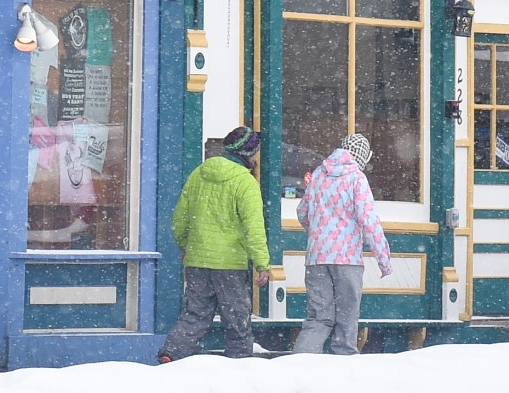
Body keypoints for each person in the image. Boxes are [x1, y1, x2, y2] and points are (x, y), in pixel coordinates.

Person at [158, 125, 269, 362]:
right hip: (229, 263)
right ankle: (240, 362)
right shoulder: (245, 182)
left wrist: (185, 244)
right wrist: (262, 263)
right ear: (248, 154)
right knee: (237, 316)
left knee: (196, 313)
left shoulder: (199, 173)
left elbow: (180, 217)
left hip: (197, 260)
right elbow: (253, 227)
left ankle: (172, 352)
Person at [292, 133, 390, 354]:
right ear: (362, 157)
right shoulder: (356, 178)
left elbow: (302, 212)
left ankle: (299, 366)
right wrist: (383, 258)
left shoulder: (319, 174)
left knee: (318, 318)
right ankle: (344, 368)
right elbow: (369, 221)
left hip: (316, 258)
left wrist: (319, 232)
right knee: (347, 319)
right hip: (347, 259)